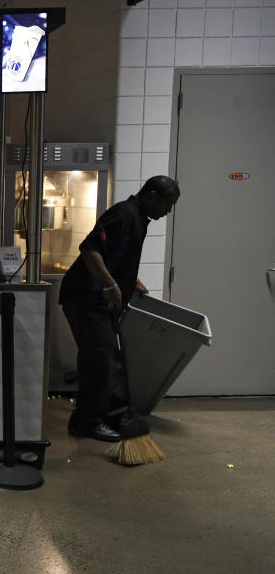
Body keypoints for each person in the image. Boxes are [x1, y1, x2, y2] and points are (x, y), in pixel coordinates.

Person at [59, 175, 180, 441]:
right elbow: (90, 248)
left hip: (100, 300)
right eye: (167, 204)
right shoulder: (124, 214)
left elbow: (115, 254)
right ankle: (87, 422)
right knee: (100, 360)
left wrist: (129, 280)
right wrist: (111, 284)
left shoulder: (139, 218)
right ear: (150, 195)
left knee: (108, 360)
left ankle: (96, 417)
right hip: (84, 297)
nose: (168, 211)